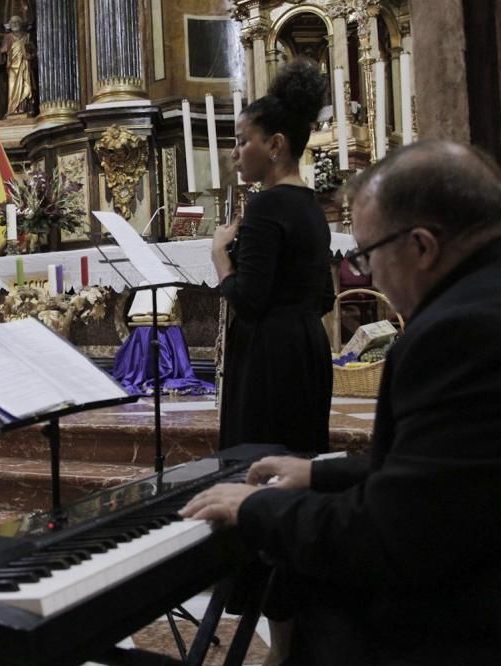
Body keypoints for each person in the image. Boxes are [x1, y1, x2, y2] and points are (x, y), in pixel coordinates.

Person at [181, 140, 501, 665]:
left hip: (467, 625)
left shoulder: (456, 333)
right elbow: (443, 475)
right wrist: (322, 474)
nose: (368, 274)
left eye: (367, 254)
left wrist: (261, 508)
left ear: (422, 246)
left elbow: (393, 534)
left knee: (311, 591)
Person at [215, 58, 334, 452]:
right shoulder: (310, 205)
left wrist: (221, 260)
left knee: (259, 465)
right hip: (308, 348)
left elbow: (249, 301)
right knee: (300, 457)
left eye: (243, 140)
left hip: (269, 358)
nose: (235, 153)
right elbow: (324, 297)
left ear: (275, 145)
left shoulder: (267, 207)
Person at [0, 15, 35, 117]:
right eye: (12, 23)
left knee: (25, 86)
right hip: (13, 67)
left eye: (16, 22)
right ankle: (13, 109)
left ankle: (24, 108)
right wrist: (2, 53)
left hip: (24, 65)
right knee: (13, 88)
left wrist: (30, 55)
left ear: (20, 24)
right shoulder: (8, 37)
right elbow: (2, 50)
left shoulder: (27, 36)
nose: (14, 24)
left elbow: (33, 51)